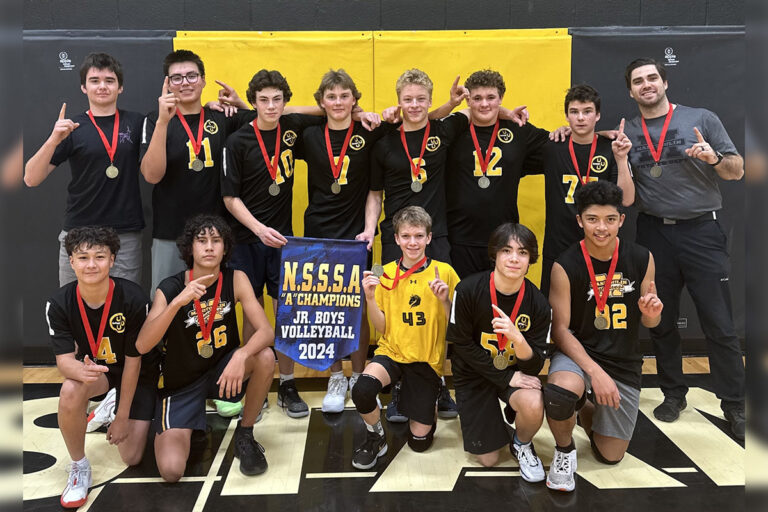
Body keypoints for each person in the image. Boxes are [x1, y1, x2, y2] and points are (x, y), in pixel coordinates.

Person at [621, 57, 745, 438]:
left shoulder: (701, 118)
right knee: (661, 317)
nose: (647, 85)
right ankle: (674, 392)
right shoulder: (630, 132)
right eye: (638, 81)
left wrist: (714, 158)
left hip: (701, 231)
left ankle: (735, 405)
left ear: (665, 82)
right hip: (654, 233)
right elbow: (625, 194)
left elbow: (737, 170)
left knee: (719, 324)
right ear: (630, 90)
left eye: (652, 78)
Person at [221, 69, 335, 419]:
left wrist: (283, 110)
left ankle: (287, 383)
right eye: (263, 100)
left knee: (287, 310)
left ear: (285, 102)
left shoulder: (291, 130)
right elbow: (229, 198)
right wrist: (258, 229)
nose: (270, 106)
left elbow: (321, 110)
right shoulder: (237, 141)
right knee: (252, 312)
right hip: (246, 237)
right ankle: (253, 380)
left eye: (277, 100)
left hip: (284, 239)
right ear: (253, 103)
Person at [135, 214, 275, 481]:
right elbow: (142, 344)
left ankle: (245, 434)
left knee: (265, 357)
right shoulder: (171, 287)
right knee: (171, 471)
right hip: (180, 382)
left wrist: (242, 354)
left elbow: (266, 332)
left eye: (216, 240)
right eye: (202, 241)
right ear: (190, 248)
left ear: (225, 248)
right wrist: (177, 303)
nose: (209, 247)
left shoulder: (235, 278)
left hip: (222, 371)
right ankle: (189, 423)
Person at [545, 180, 662, 492]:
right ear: (580, 221)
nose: (602, 228)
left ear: (621, 220)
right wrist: (595, 373)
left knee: (610, 455)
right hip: (578, 356)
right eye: (593, 219)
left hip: (622, 361)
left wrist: (652, 314)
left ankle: (584, 405)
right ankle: (564, 450)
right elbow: (560, 331)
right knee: (560, 392)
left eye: (610, 219)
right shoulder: (565, 264)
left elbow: (652, 322)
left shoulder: (641, 258)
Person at [45, 226, 159, 508]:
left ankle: (115, 405)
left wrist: (122, 417)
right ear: (71, 261)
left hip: (138, 373)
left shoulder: (133, 298)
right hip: (99, 373)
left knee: (131, 457)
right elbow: (64, 361)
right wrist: (79, 372)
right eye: (83, 258)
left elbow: (134, 363)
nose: (91, 264)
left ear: (112, 259)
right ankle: (79, 466)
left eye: (99, 256)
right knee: (71, 390)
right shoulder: (58, 303)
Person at [297, 69, 387, 413]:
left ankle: (360, 374)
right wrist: (321, 110)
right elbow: (284, 111)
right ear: (322, 101)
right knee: (326, 307)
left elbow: (373, 191)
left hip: (356, 234)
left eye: (344, 96)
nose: (338, 102)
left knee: (361, 306)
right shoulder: (308, 135)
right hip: (318, 231)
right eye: (330, 97)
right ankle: (336, 374)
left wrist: (369, 230)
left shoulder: (369, 133)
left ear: (355, 99)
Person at [350, 206, 460, 470]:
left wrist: (445, 301)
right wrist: (369, 299)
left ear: (429, 238)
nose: (413, 242)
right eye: (406, 236)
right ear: (396, 238)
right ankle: (376, 436)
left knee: (419, 442)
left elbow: (457, 327)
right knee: (362, 390)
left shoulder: (444, 272)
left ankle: (426, 397)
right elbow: (383, 328)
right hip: (392, 352)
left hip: (425, 360)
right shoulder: (383, 272)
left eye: (419, 236)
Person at [140, 49, 257, 295]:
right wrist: (163, 122)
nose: (185, 83)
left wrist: (240, 105)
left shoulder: (222, 116)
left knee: (212, 307)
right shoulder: (154, 120)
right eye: (177, 77)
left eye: (192, 75)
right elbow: (152, 176)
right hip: (170, 232)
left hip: (214, 236)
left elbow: (269, 121)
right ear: (168, 84)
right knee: (165, 303)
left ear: (203, 80)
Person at [25, 53, 145, 286]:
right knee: (74, 306)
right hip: (79, 233)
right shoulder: (72, 127)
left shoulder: (137, 123)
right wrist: (53, 139)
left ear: (120, 87)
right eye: (94, 80)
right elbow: (30, 178)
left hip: (125, 234)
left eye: (109, 80)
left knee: (126, 306)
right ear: (83, 87)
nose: (102, 86)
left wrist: (211, 106)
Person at [447, 223, 551, 482]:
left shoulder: (539, 303)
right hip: (474, 374)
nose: (514, 258)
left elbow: (535, 365)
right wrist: (504, 378)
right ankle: (491, 418)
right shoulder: (468, 289)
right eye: (507, 250)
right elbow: (460, 346)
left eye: (523, 252)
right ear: (494, 254)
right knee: (489, 460)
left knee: (533, 402)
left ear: (531, 260)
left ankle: (522, 443)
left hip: (514, 372)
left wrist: (518, 339)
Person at [444, 69, 549, 279]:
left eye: (491, 97)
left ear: (501, 99)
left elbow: (561, 147)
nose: (484, 104)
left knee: (501, 303)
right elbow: (421, 126)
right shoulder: (455, 130)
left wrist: (598, 135)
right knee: (464, 302)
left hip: (504, 240)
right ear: (468, 101)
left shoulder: (518, 130)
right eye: (477, 98)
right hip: (459, 238)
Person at [539, 84, 634, 295]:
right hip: (559, 244)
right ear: (566, 116)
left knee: (595, 310)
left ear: (597, 115)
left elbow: (626, 200)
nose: (581, 118)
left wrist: (621, 159)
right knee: (554, 312)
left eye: (587, 112)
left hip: (600, 242)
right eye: (574, 112)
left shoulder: (612, 148)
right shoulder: (552, 147)